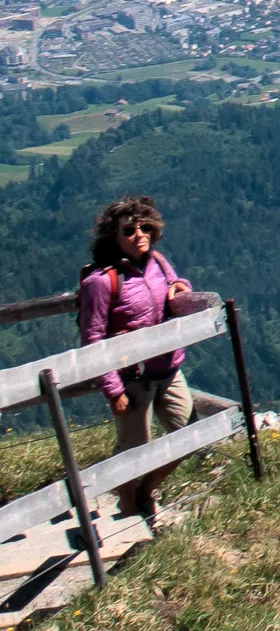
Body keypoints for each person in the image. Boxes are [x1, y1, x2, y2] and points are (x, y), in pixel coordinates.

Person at [75, 195, 195, 524]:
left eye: (145, 227)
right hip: (131, 378)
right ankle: (128, 509)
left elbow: (175, 282)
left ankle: (145, 491)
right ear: (114, 237)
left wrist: (180, 285)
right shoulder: (101, 282)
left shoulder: (157, 262)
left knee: (188, 432)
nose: (139, 234)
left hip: (167, 367)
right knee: (134, 450)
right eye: (129, 230)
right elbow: (93, 340)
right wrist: (113, 390)